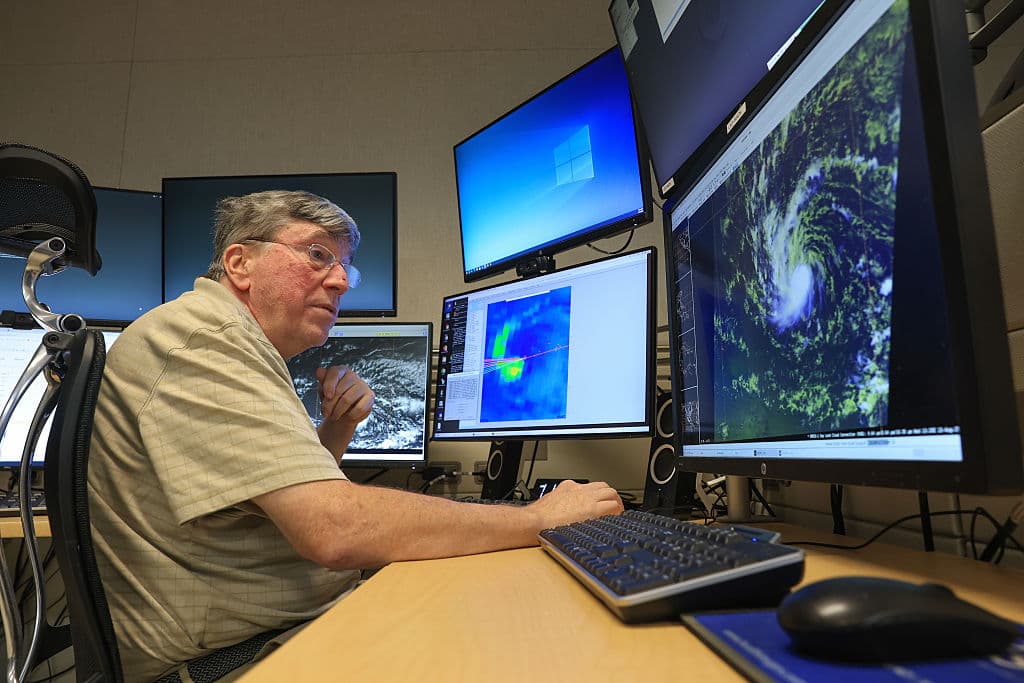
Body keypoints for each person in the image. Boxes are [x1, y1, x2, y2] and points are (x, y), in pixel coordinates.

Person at [87, 190, 623, 682]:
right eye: (317, 255)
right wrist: (539, 519)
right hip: (229, 659)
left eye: (345, 266)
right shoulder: (203, 341)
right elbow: (333, 529)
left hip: (261, 630)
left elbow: (267, 507)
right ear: (239, 262)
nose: (341, 281)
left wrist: (336, 428)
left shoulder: (227, 341)